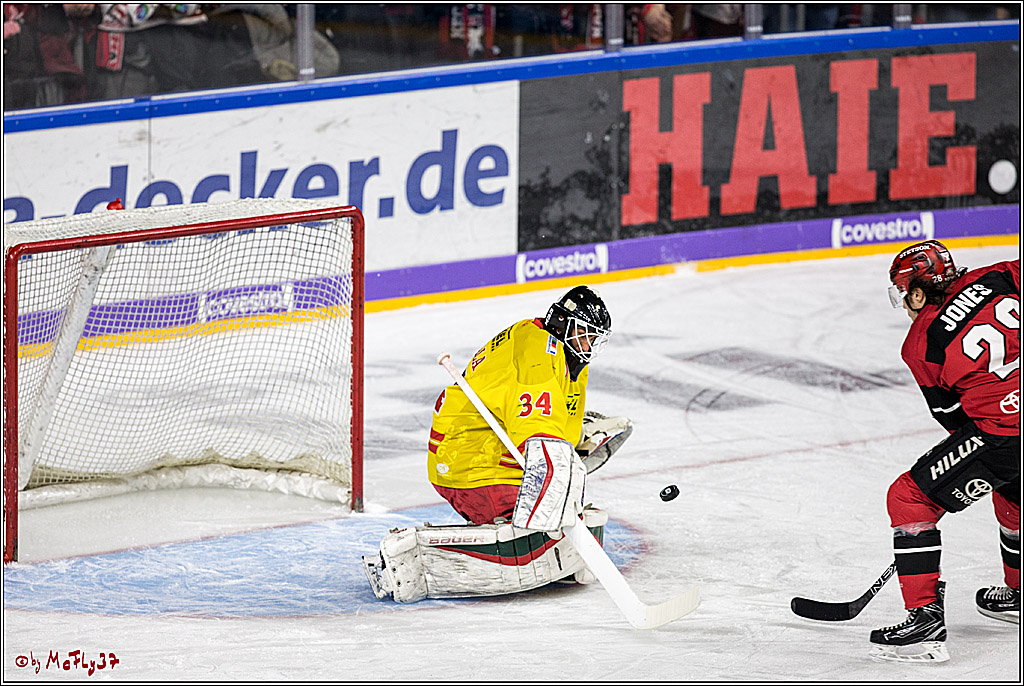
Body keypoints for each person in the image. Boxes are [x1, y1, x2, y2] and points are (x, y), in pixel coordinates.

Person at [363, 286, 633, 602]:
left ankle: (530, 532)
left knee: (556, 502)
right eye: (585, 333)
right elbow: (538, 431)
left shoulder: (566, 357)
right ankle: (415, 556)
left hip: (485, 450)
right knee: (541, 511)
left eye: (594, 338)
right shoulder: (537, 349)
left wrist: (578, 447)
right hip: (469, 458)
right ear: (561, 321)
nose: (588, 345)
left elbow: (560, 429)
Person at [870, 241, 1020, 662]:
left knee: (909, 497)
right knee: (1011, 491)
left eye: (904, 295)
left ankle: (924, 623)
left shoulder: (920, 343)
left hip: (1005, 434)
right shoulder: (1001, 275)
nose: (905, 307)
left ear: (918, 292)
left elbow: (954, 420)